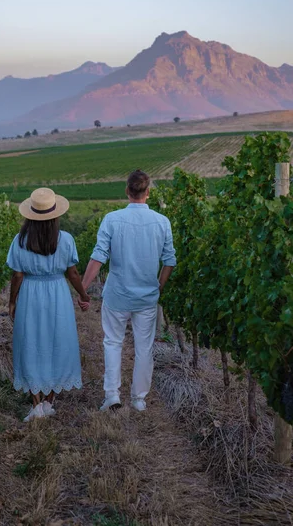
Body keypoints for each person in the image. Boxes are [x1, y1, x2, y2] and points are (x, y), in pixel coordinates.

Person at [80, 170, 176, 412]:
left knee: (113, 343)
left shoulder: (112, 219)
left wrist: (82, 289)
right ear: (148, 192)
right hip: (146, 297)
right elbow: (170, 261)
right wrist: (159, 286)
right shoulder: (162, 222)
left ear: (127, 191)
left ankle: (112, 395)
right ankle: (139, 399)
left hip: (117, 295)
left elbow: (98, 257)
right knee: (144, 347)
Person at [7, 187, 90, 422]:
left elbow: (18, 276)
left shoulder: (20, 240)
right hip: (58, 295)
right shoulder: (65, 240)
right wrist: (83, 295)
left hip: (31, 294)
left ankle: (36, 404)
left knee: (31, 343)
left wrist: (12, 302)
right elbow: (72, 273)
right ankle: (49, 401)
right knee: (59, 343)